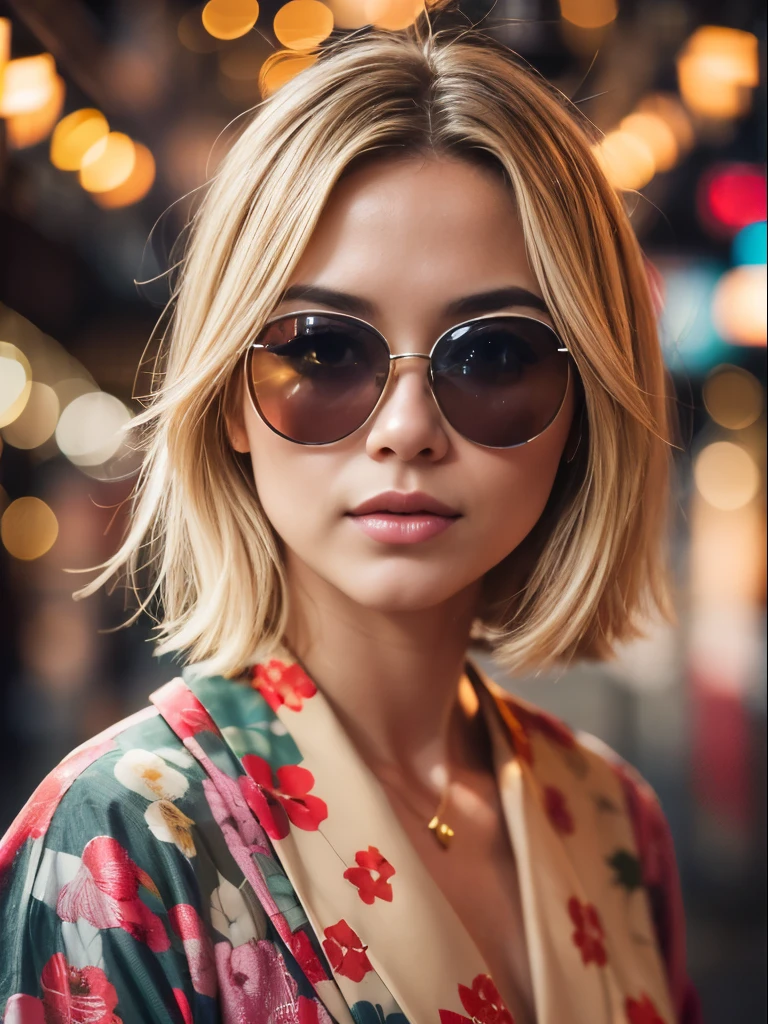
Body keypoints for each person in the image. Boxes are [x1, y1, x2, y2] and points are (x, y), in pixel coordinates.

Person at [0, 21, 701, 1024]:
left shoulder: (616, 820)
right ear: (231, 398)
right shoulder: (118, 842)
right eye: (323, 350)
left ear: (584, 409)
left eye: (492, 356)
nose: (406, 430)